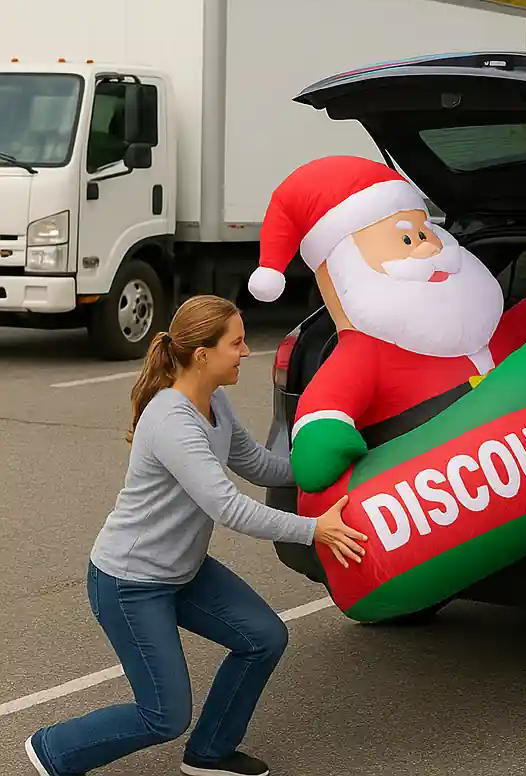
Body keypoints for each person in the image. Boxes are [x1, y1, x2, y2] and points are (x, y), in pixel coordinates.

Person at [25, 295, 368, 776]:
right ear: (203, 354)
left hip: (183, 572)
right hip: (131, 584)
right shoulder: (172, 420)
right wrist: (315, 530)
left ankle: (209, 754)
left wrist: (330, 469)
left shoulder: (214, 401)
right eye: (237, 342)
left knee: (263, 637)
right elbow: (227, 507)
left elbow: (258, 464)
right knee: (163, 716)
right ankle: (53, 750)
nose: (247, 351)